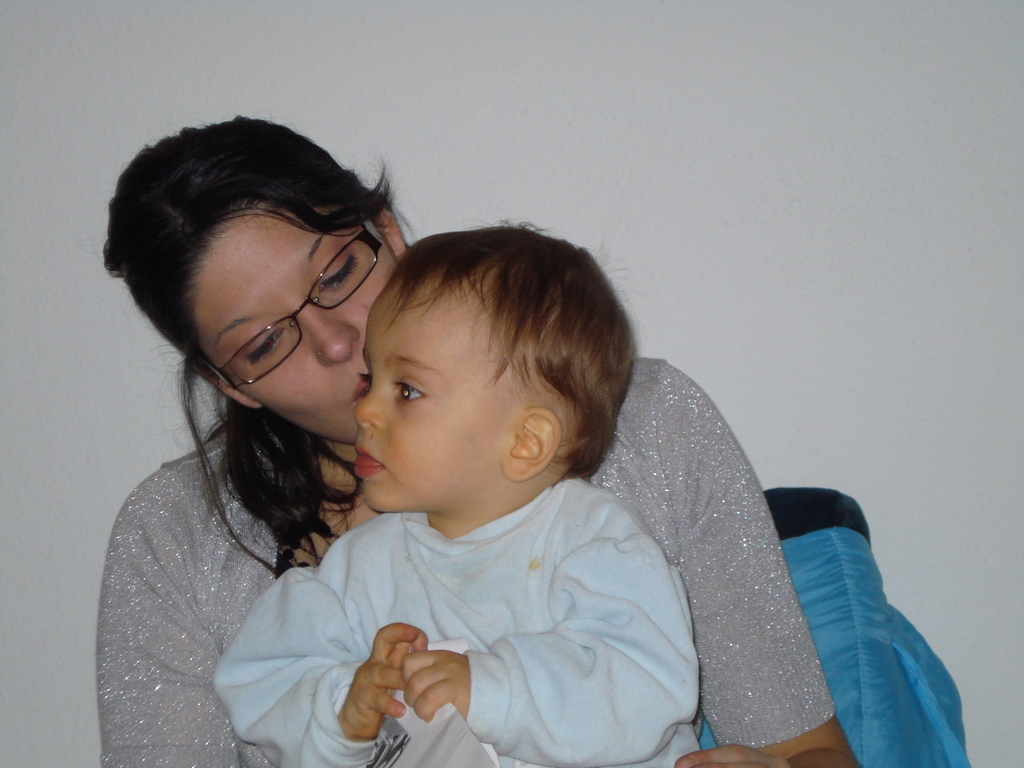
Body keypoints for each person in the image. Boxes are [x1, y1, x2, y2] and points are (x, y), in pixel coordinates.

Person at [97, 116, 855, 768]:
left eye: (336, 273)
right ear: (230, 383)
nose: (336, 344)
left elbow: (810, 750)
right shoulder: (184, 541)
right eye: (264, 343)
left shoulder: (643, 427)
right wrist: (342, 710)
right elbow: (272, 685)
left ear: (387, 232)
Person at [214, 226, 701, 768]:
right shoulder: (356, 570)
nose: (365, 411)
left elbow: (647, 684)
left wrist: (493, 687)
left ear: (525, 442)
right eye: (372, 380)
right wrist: (344, 710)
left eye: (407, 391)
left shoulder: (594, 541)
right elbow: (260, 677)